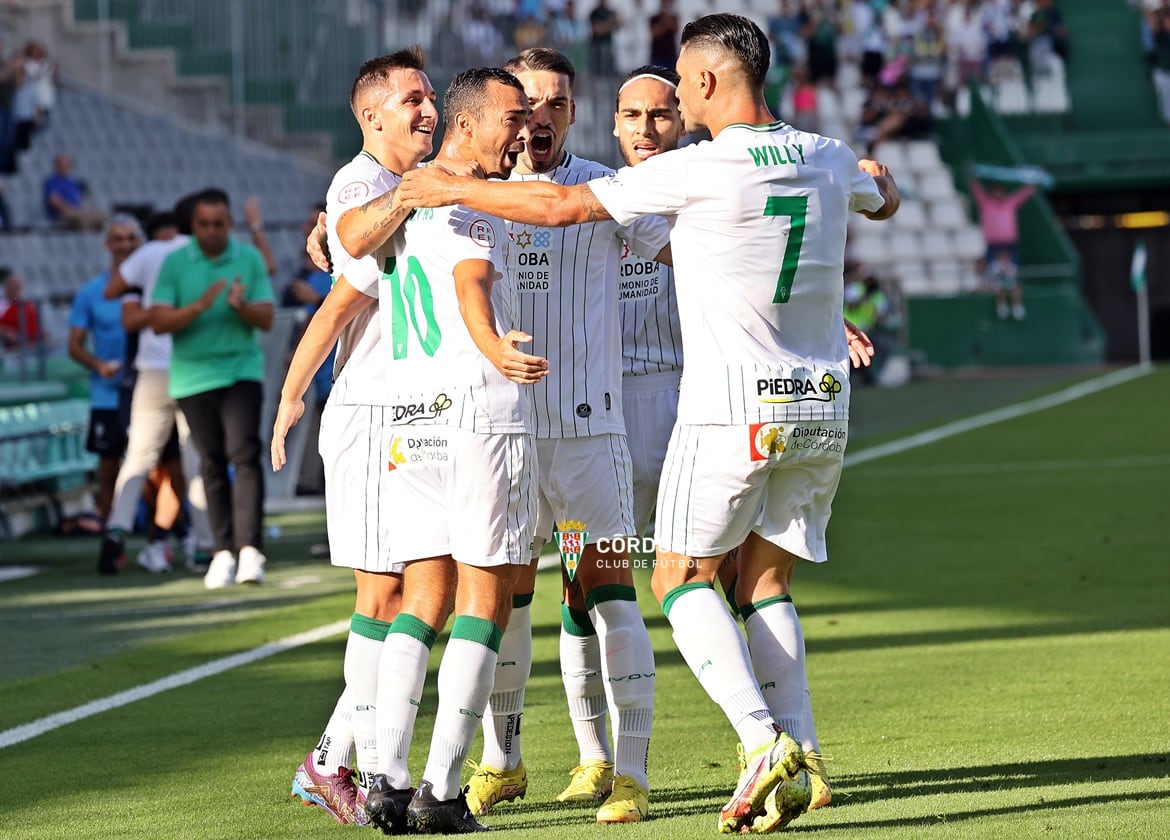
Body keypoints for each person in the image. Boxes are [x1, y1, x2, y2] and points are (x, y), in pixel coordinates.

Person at [396, 12, 899, 833]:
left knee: (676, 578)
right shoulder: (829, 154)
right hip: (823, 406)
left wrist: (442, 183)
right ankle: (801, 752)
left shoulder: (697, 168)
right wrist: (870, 184)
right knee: (764, 582)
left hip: (732, 407)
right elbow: (884, 197)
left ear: (702, 83)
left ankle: (760, 738)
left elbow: (560, 209)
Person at [450, 48, 669, 827]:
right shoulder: (468, 194)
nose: (539, 116)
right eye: (527, 102)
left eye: (556, 103)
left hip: (585, 434)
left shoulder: (611, 190)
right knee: (502, 602)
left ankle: (632, 775)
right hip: (503, 437)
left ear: (573, 113)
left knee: (605, 591)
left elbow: (696, 255)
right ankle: (501, 762)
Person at [277, 48, 438, 828]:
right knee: (384, 597)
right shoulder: (360, 184)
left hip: (418, 416)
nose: (429, 108)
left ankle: (337, 756)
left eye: (432, 94)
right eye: (413, 97)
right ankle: (362, 766)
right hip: (373, 416)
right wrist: (293, 393)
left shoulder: (409, 186)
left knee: (425, 594)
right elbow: (343, 294)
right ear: (372, 115)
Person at [149, 189, 275, 589]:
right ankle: (222, 552)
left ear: (229, 224)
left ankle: (250, 550)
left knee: (246, 453)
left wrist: (240, 307)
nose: (211, 231)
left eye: (218, 224)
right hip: (192, 378)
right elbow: (158, 321)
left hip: (240, 371)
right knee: (211, 462)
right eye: (203, 224)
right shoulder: (174, 262)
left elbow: (267, 318)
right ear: (193, 225)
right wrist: (200, 307)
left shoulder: (248, 259)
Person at [97, 196, 214, 576]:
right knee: (195, 459)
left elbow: (112, 289)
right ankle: (204, 545)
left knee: (138, 457)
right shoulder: (195, 250)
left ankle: (116, 529)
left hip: (152, 368)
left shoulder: (146, 255)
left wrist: (150, 296)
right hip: (193, 365)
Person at [67, 213, 143, 523]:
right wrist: (98, 365)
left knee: (155, 461)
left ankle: (162, 533)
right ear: (107, 243)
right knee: (109, 463)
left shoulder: (151, 285)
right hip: (107, 393)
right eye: (118, 238)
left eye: (130, 238)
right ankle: (109, 529)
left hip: (147, 386)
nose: (125, 245)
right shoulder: (89, 292)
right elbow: (74, 345)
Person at [969, 175, 1034, 320]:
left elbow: (1023, 194)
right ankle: (1001, 305)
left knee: (1013, 278)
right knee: (996, 279)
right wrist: (973, 178)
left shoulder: (1010, 203)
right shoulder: (986, 204)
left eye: (1000, 192)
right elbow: (977, 191)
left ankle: (1017, 306)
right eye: (995, 192)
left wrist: (1034, 181)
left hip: (1010, 244)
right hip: (993, 245)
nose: (998, 195)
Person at [43, 152, 105, 231]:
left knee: (101, 218)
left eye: (67, 164)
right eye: (62, 164)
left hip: (78, 212)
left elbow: (84, 199)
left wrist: (87, 210)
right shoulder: (51, 181)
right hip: (62, 215)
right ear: (56, 165)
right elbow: (54, 201)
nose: (65, 166)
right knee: (83, 219)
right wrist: (71, 210)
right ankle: (86, 239)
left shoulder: (75, 182)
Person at [0, 268, 41, 349]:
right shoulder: (2, 305)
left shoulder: (27, 304)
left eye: (18, 288)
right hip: (16, 348)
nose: (17, 291)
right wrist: (7, 331)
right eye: (14, 288)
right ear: (6, 288)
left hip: (35, 345)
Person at [588, 0, 621, 77]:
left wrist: (615, 18)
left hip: (607, 46)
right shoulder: (594, 13)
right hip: (597, 46)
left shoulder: (609, 12)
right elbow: (597, 30)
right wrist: (609, 24)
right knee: (597, 73)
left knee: (608, 71)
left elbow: (617, 26)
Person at [648, 0, 680, 68]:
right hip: (657, 54)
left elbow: (676, 30)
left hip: (671, 54)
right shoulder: (654, 18)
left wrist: (668, 21)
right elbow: (654, 33)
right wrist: (664, 24)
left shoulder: (673, 17)